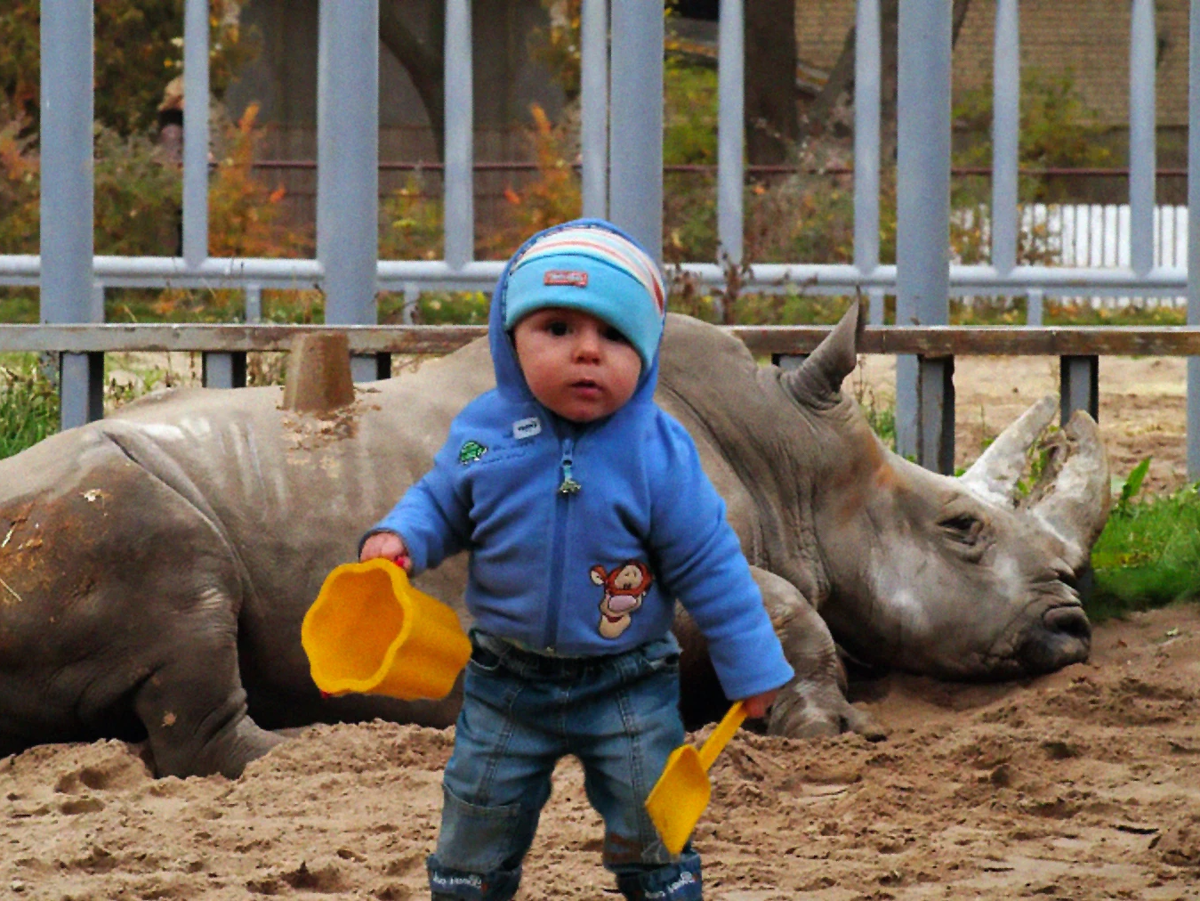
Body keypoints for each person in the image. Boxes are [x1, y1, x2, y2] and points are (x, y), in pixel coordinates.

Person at [359, 218, 794, 901]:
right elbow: (442, 497)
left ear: (647, 354)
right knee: (477, 811)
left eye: (615, 335)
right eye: (557, 328)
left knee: (652, 822)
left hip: (628, 684)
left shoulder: (657, 450)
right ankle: (469, 884)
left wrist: (753, 664)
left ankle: (660, 885)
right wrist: (402, 536)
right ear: (512, 339)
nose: (587, 352)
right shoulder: (484, 433)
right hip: (506, 679)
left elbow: (712, 564)